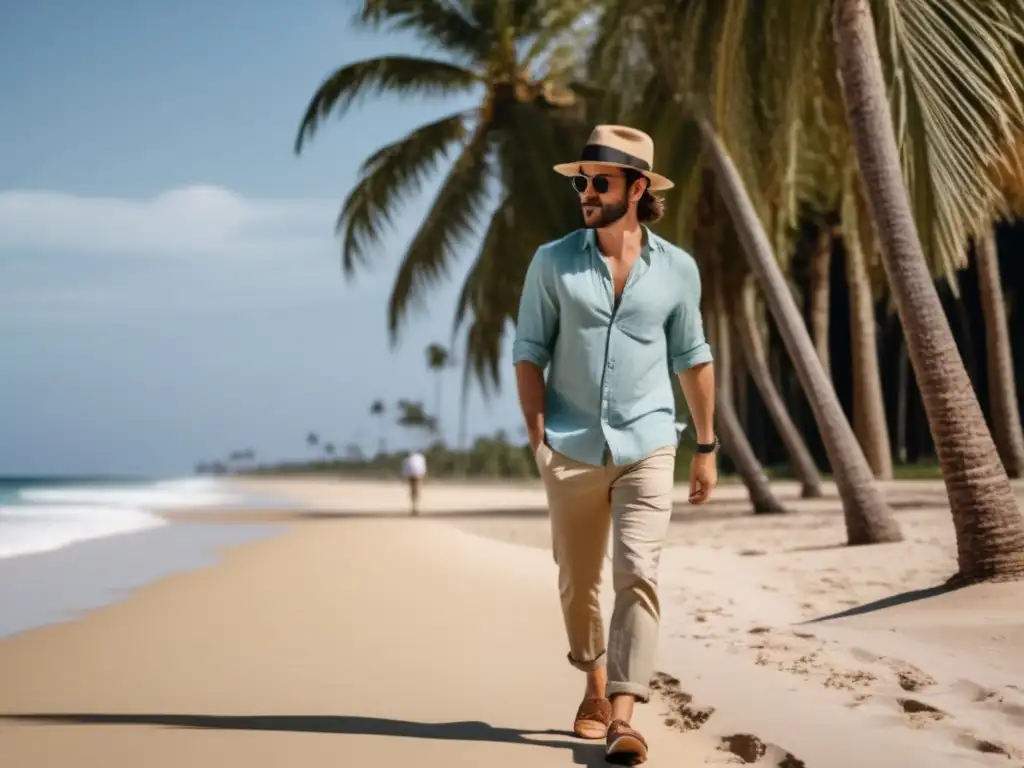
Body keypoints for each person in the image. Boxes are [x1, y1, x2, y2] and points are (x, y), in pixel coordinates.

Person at [512, 125, 718, 765]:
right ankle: (594, 683)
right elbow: (528, 351)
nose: (585, 192)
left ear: (636, 189)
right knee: (579, 581)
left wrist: (705, 446)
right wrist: (538, 435)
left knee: (639, 573)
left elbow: (692, 357)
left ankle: (624, 715)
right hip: (571, 446)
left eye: (598, 181)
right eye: (581, 181)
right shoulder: (553, 261)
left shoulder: (677, 269)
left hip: (650, 443)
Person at [401, 450, 426, 516]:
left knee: (412, 491)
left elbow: (405, 469)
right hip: (418, 475)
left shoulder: (407, 459)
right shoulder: (420, 458)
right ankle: (415, 507)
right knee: (417, 490)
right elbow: (423, 467)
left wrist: (405, 476)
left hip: (411, 475)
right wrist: (422, 475)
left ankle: (414, 507)